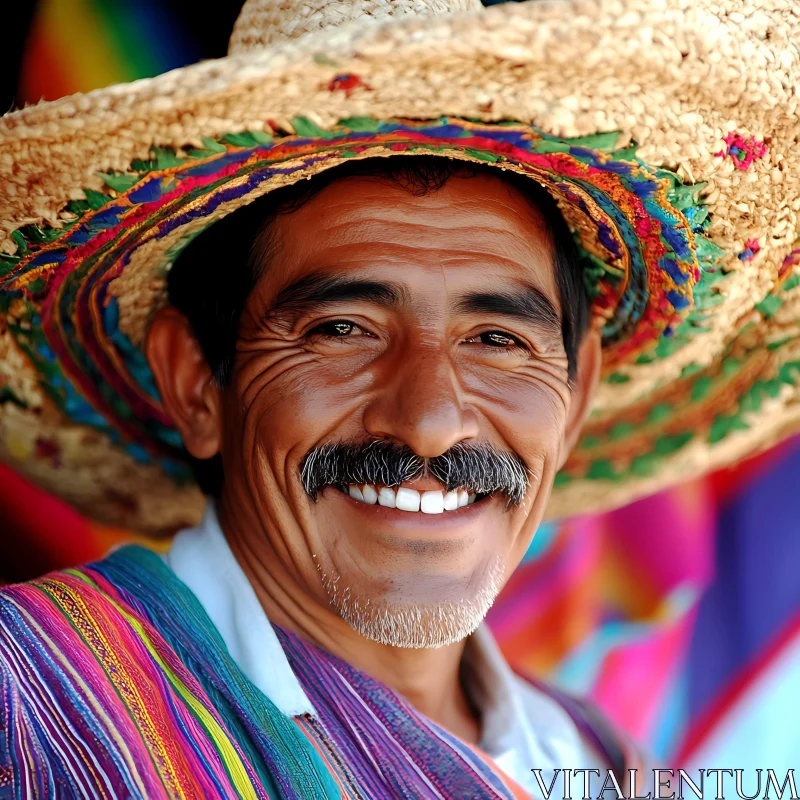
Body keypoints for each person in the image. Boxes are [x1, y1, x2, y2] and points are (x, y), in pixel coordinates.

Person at [0, 0, 796, 797]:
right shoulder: (27, 711)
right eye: (344, 329)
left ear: (576, 389)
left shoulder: (601, 766)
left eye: (496, 340)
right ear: (197, 381)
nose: (429, 423)